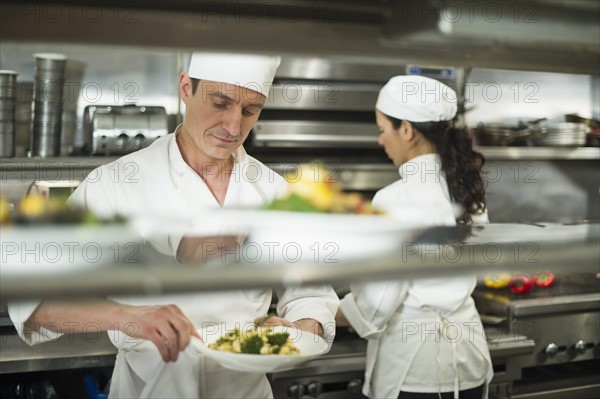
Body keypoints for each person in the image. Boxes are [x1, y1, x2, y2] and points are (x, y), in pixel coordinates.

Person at [9, 52, 339, 398]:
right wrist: (125, 316)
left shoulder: (274, 191)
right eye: (220, 102)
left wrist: (299, 330)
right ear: (186, 87)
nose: (234, 127)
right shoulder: (116, 183)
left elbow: (313, 294)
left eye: (249, 110)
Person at [338, 75, 492, 399]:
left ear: (406, 130)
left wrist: (321, 313)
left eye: (383, 130)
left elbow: (376, 304)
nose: (381, 141)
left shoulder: (393, 199)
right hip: (470, 362)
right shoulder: (468, 190)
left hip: (416, 371)